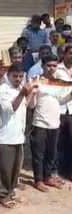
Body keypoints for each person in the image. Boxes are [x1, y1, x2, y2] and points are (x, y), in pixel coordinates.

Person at [0, 63, 37, 208]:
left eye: (21, 76)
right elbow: (11, 109)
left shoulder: (20, 88)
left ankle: (10, 191)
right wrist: (22, 94)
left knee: (15, 169)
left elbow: (27, 105)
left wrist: (31, 93)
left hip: (18, 136)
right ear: (9, 75)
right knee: (4, 169)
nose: (18, 79)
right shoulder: (3, 90)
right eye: (15, 76)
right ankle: (2, 195)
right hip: (5, 136)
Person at [28, 54, 72, 192]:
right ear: (42, 66)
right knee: (38, 153)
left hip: (54, 123)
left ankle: (48, 177)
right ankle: (38, 180)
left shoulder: (58, 83)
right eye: (49, 65)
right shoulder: (36, 80)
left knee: (51, 153)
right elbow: (31, 105)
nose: (51, 68)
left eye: (54, 66)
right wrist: (33, 93)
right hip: (40, 123)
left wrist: (70, 95)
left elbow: (60, 101)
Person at [53, 44, 72, 180]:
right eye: (70, 53)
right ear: (64, 54)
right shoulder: (56, 69)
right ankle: (56, 170)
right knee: (58, 141)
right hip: (59, 109)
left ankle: (68, 171)